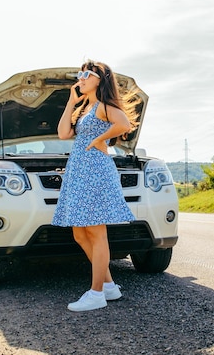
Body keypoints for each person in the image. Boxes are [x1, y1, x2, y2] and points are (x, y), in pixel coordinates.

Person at [52, 60, 139, 311]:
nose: (81, 77)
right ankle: (109, 286)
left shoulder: (103, 105)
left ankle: (96, 293)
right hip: (80, 171)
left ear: (100, 79)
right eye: (80, 74)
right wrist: (71, 101)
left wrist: (100, 140)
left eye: (86, 74)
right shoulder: (85, 107)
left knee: (96, 232)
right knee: (79, 232)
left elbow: (123, 124)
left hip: (96, 170)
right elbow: (63, 134)